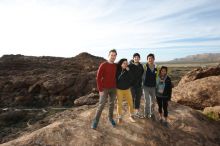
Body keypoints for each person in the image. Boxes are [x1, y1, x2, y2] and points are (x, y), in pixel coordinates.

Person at [91, 49, 117, 129]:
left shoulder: (116, 66)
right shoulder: (103, 65)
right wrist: (100, 90)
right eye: (111, 55)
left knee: (111, 104)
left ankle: (110, 118)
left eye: (114, 55)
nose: (113, 57)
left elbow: (123, 66)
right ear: (108, 55)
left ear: (116, 56)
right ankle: (95, 121)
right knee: (101, 105)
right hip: (104, 88)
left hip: (113, 88)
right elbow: (98, 78)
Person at [116, 58, 136, 123]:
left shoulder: (128, 70)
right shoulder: (117, 70)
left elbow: (132, 78)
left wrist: (129, 71)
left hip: (127, 89)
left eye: (126, 63)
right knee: (119, 104)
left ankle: (131, 115)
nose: (125, 64)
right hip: (119, 90)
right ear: (121, 64)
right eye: (124, 63)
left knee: (130, 102)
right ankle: (119, 117)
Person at [142, 53, 159, 119]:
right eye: (149, 58)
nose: (150, 59)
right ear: (147, 59)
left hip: (153, 87)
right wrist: (142, 85)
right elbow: (142, 76)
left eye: (151, 58)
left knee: (153, 102)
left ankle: (151, 113)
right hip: (146, 87)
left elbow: (157, 77)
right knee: (147, 101)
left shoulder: (156, 67)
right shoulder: (145, 67)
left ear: (154, 59)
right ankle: (146, 114)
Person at [128, 53, 144, 118]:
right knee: (131, 99)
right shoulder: (130, 66)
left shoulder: (141, 66)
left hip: (139, 85)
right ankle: (131, 114)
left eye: (137, 57)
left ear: (139, 58)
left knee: (138, 99)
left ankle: (137, 112)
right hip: (132, 86)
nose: (136, 58)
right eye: (135, 57)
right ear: (133, 58)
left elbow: (142, 74)